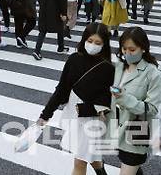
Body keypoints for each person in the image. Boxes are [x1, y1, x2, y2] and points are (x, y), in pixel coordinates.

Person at [37, 23, 115, 175]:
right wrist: (46, 114)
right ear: (84, 39)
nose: (93, 45)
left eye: (98, 43)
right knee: (87, 154)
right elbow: (62, 89)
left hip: (92, 119)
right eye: (90, 40)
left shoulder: (108, 68)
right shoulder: (74, 59)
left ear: (104, 45)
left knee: (80, 161)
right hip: (74, 113)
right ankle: (101, 172)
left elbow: (108, 99)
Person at [108, 27, 161, 175]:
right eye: (124, 49)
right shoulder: (119, 67)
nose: (127, 53)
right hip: (116, 130)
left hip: (136, 134)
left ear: (143, 48)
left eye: (132, 49)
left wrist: (124, 98)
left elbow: (151, 108)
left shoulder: (153, 74)